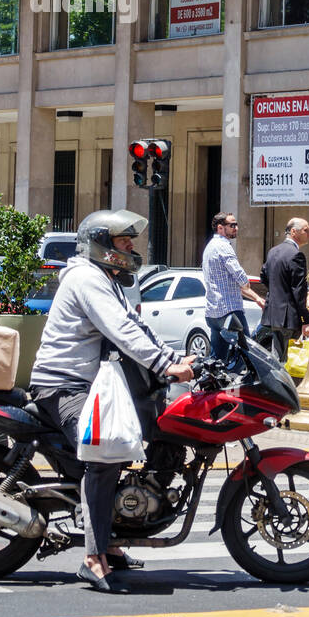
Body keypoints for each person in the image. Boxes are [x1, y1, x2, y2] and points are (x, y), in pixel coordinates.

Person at [30, 209, 194, 594]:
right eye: (124, 242)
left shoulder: (106, 280)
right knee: (105, 454)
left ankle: (114, 539)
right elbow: (120, 331)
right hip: (63, 387)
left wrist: (174, 357)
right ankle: (92, 557)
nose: (131, 248)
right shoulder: (87, 278)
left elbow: (137, 325)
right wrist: (165, 365)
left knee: (138, 436)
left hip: (88, 383)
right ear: (102, 245)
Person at [201, 212, 265, 356]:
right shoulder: (224, 246)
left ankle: (213, 378)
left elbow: (230, 282)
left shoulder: (210, 247)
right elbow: (241, 278)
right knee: (248, 353)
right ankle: (246, 379)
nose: (236, 228)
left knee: (218, 359)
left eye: (236, 225)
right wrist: (245, 282)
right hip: (229, 311)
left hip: (213, 312)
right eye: (232, 225)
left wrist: (256, 298)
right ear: (220, 228)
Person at [255, 217, 309, 363]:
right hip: (289, 317)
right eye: (306, 230)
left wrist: (277, 293)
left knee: (278, 357)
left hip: (275, 314)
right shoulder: (296, 255)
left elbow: (263, 277)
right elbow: (299, 291)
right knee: (288, 360)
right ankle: (283, 385)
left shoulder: (273, 251)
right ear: (294, 231)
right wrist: (306, 320)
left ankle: (278, 384)